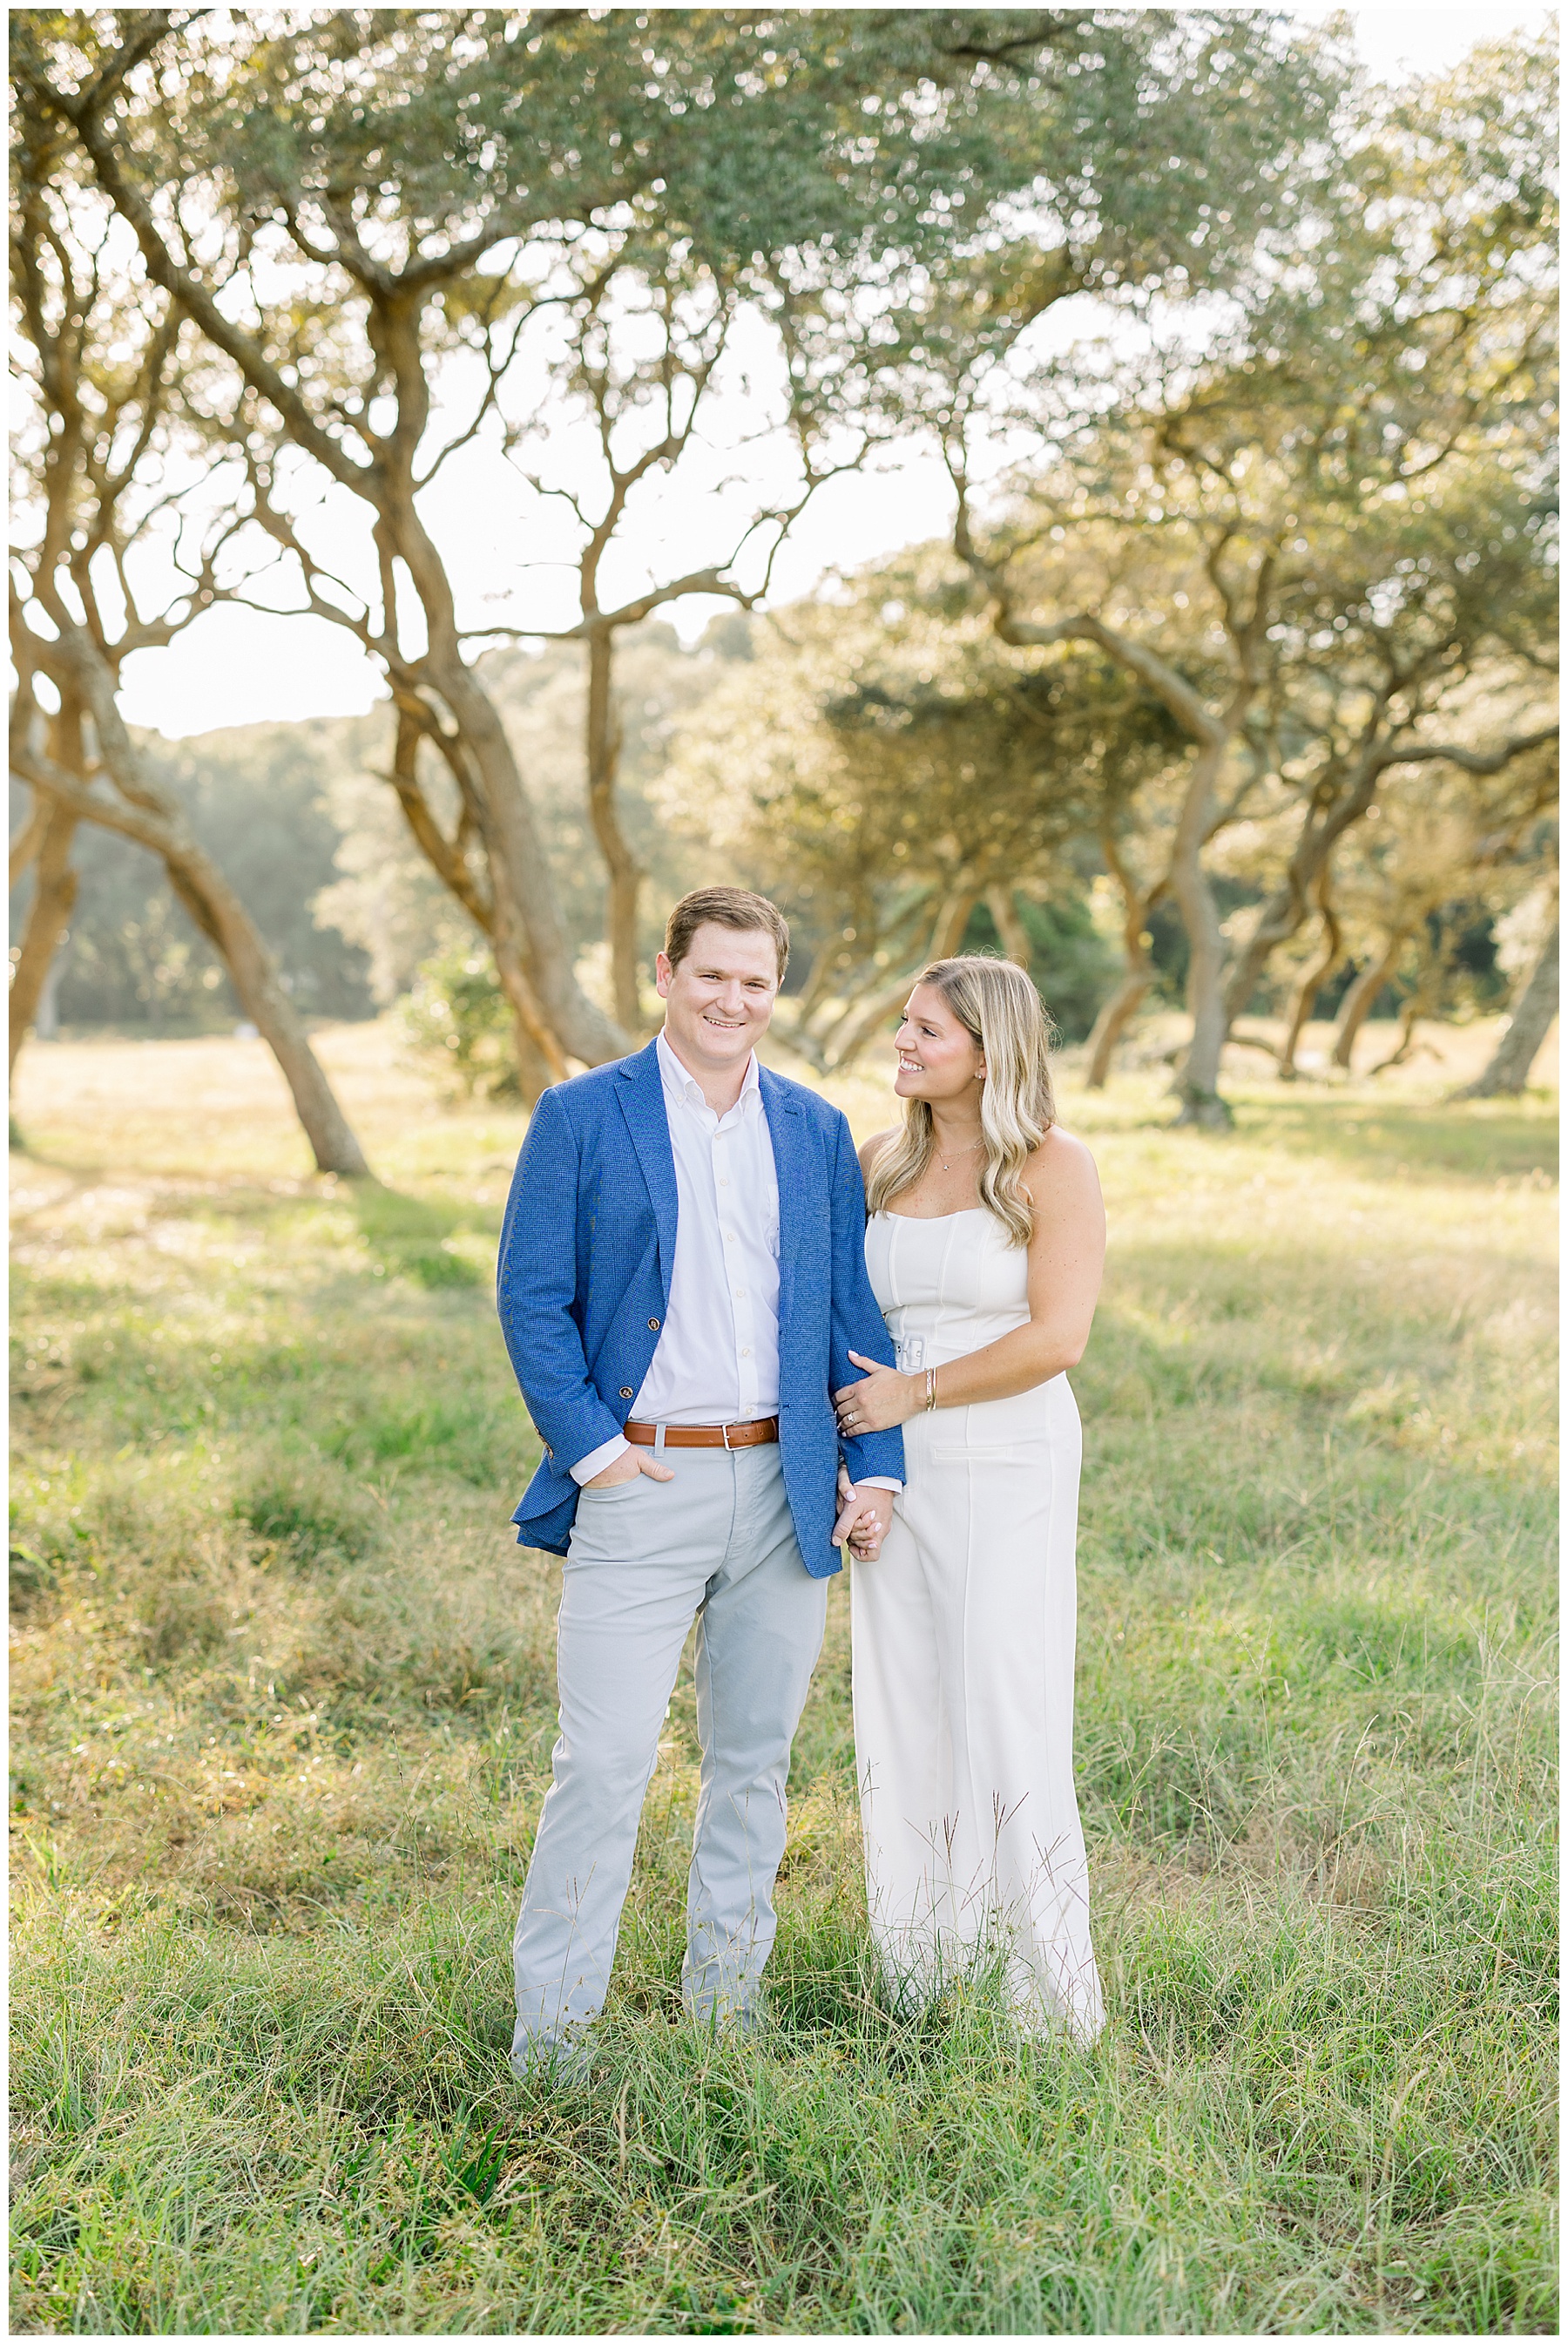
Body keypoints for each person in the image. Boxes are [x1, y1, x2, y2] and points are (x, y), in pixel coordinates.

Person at [496, 885, 903, 2076]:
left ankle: (727, 2013)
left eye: (757, 981)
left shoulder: (815, 1128)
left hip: (786, 1485)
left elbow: (843, 1308)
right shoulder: (582, 1116)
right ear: (664, 974)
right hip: (642, 1480)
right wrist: (598, 1453)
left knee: (752, 1769)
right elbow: (533, 1298)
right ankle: (554, 2044)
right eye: (711, 974)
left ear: (779, 991)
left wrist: (874, 1465)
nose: (733, 999)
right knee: (604, 1765)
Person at [832, 955, 1106, 2044]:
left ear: (989, 1052)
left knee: (1003, 1701)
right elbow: (843, 1317)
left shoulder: (1053, 1164)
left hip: (1008, 1458)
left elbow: (1057, 1337)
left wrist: (923, 1387)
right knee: (903, 1704)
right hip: (895, 1462)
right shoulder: (874, 1160)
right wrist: (869, 1457)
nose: (902, 1042)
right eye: (903, 1023)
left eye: (927, 1031)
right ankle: (923, 1970)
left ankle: (1041, 2000)